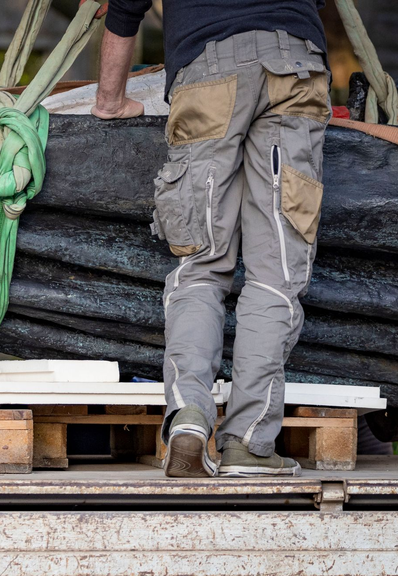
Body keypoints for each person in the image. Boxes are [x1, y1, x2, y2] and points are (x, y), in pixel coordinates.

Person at [93, 1, 330, 477]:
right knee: (275, 275)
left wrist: (111, 101)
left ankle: (189, 420)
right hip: (296, 69)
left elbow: (124, 8)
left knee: (200, 266)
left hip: (207, 73)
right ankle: (248, 444)